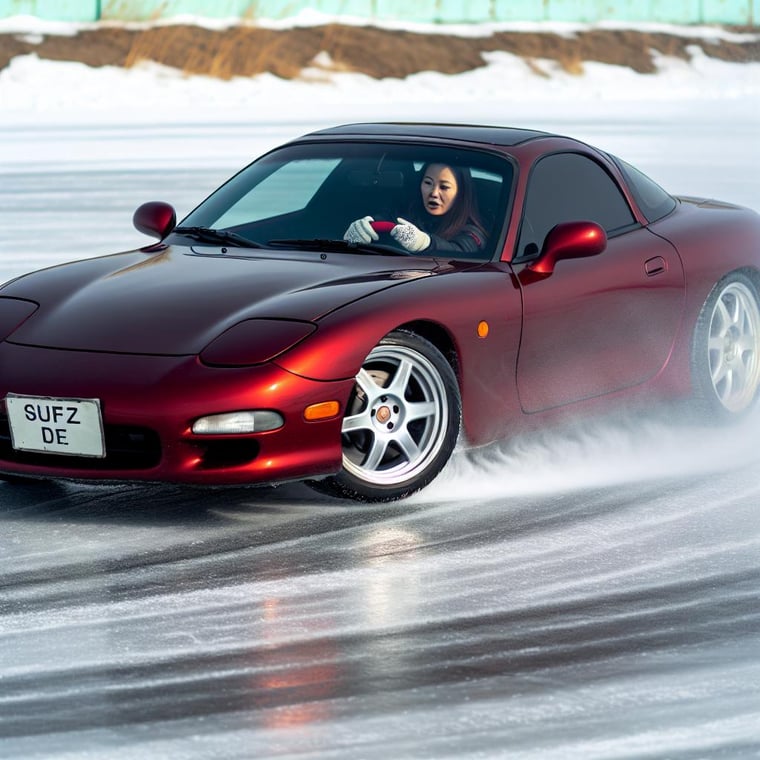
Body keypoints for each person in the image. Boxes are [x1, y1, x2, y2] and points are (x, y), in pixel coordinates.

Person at [343, 163, 487, 255]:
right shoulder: (406, 211)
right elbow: (384, 220)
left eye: (444, 187)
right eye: (428, 183)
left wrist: (426, 243)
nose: (434, 193)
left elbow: (460, 251)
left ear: (460, 193)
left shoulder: (473, 232)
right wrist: (360, 230)